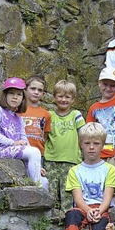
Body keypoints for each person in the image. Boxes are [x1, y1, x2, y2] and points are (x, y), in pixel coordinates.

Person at [0, 77, 49, 191]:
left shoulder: (18, 118)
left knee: (45, 181)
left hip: (16, 150)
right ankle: (37, 190)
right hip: (0, 150)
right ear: (5, 95)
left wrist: (37, 165)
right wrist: (13, 142)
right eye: (11, 93)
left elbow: (24, 140)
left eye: (19, 94)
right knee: (34, 152)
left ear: (23, 98)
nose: (15, 97)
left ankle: (40, 198)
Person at [45, 80, 86, 212]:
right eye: (60, 96)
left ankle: (68, 221)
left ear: (73, 99)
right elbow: (44, 137)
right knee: (50, 192)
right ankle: (49, 220)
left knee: (67, 193)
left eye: (67, 97)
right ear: (54, 97)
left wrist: (84, 157)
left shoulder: (76, 115)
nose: (63, 100)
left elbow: (84, 135)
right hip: (51, 159)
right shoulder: (49, 115)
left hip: (71, 160)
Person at [86, 67, 115, 166]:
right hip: (97, 154)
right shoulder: (93, 108)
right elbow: (89, 132)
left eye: (112, 86)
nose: (108, 88)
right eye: (105, 84)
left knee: (114, 181)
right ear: (99, 83)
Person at [19, 76, 51, 156]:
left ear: (43, 94)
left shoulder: (46, 114)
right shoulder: (18, 110)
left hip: (38, 153)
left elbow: (45, 136)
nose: (36, 92)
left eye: (40, 90)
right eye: (33, 89)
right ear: (25, 90)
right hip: (20, 150)